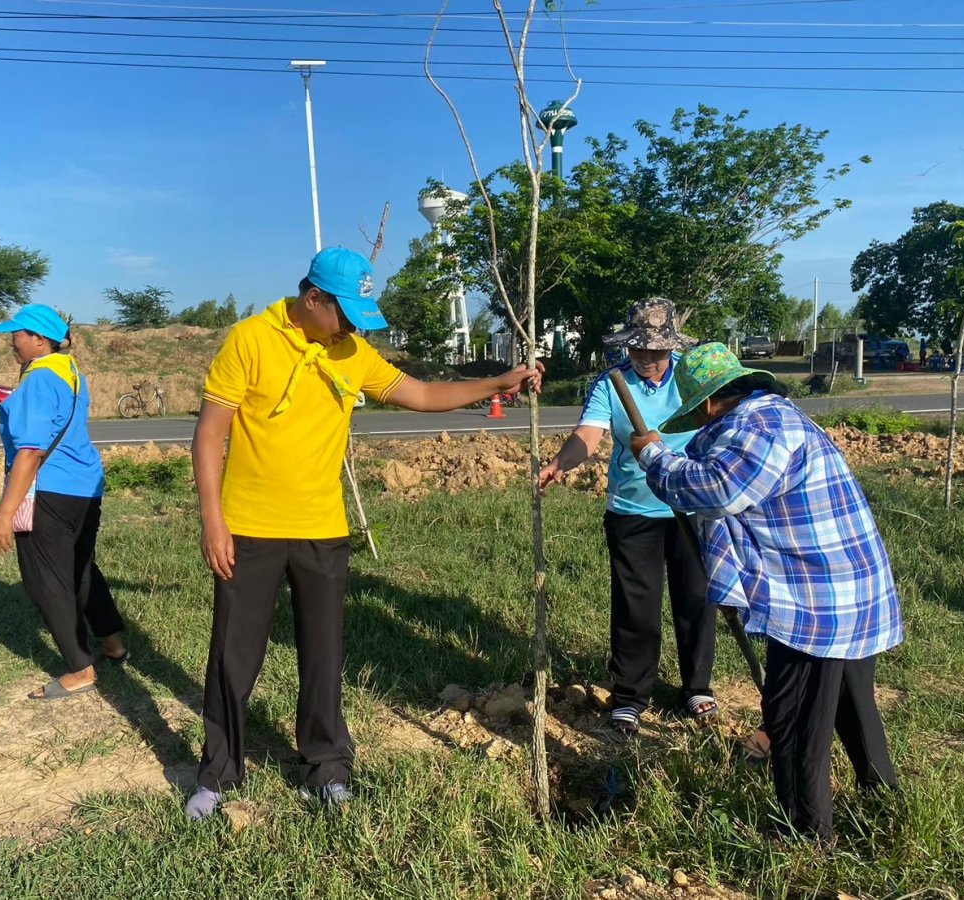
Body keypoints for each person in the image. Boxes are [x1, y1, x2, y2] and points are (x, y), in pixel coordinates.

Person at [185, 247, 543, 821]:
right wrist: (213, 520)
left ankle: (327, 767)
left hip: (323, 530)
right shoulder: (250, 339)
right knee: (233, 657)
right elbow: (209, 434)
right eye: (344, 313)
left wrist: (499, 381)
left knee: (324, 657)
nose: (352, 325)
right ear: (313, 299)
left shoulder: (353, 351)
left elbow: (423, 395)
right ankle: (218, 773)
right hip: (249, 528)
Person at [630, 342, 903, 843]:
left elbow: (718, 489)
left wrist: (653, 456)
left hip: (818, 601)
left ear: (711, 403)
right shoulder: (776, 415)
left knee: (793, 715)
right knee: (848, 699)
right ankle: (884, 800)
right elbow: (713, 463)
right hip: (849, 587)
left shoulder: (758, 427)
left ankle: (807, 832)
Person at [539, 298, 716, 734]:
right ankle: (631, 696)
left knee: (695, 598)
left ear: (672, 347)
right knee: (636, 605)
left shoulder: (693, 380)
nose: (646, 359)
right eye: (638, 349)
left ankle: (696, 686)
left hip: (692, 506)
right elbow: (589, 434)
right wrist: (563, 461)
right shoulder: (612, 382)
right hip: (634, 510)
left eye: (656, 351)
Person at [0, 303, 127, 700]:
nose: (11, 341)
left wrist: (4, 515)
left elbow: (30, 453)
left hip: (48, 491)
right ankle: (113, 642)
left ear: (38, 338)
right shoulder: (70, 371)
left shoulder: (37, 382)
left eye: (16, 335)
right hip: (85, 486)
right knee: (81, 568)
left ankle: (80, 669)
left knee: (48, 581)